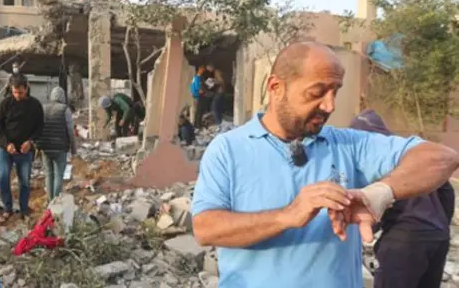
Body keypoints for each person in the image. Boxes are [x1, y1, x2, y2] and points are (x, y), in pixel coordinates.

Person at [191, 42, 459, 288]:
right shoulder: (228, 149)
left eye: (335, 92)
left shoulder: (349, 145)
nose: (329, 105)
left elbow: (442, 158)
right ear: (276, 88)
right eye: (317, 93)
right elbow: (205, 228)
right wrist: (288, 215)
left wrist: (379, 193)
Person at [349, 110, 455, 288]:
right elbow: (446, 191)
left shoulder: (375, 161)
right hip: (438, 237)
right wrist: (441, 223)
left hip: (404, 240)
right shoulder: (412, 159)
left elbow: (371, 206)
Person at [0, 74, 44, 222]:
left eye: (20, 92)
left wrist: (31, 142)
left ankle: (24, 209)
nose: (17, 96)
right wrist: (6, 143)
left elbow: (40, 127)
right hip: (5, 148)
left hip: (24, 150)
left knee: (25, 181)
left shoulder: (35, 105)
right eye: (15, 92)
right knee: (3, 177)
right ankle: (7, 208)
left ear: (26, 89)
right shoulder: (5, 104)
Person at [36, 86, 77, 201]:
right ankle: (55, 201)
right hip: (60, 147)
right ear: (63, 97)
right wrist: (73, 148)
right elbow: (70, 130)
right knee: (59, 174)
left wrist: (37, 147)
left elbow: (38, 128)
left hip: (45, 147)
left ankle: (49, 200)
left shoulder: (43, 108)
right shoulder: (65, 109)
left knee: (49, 174)